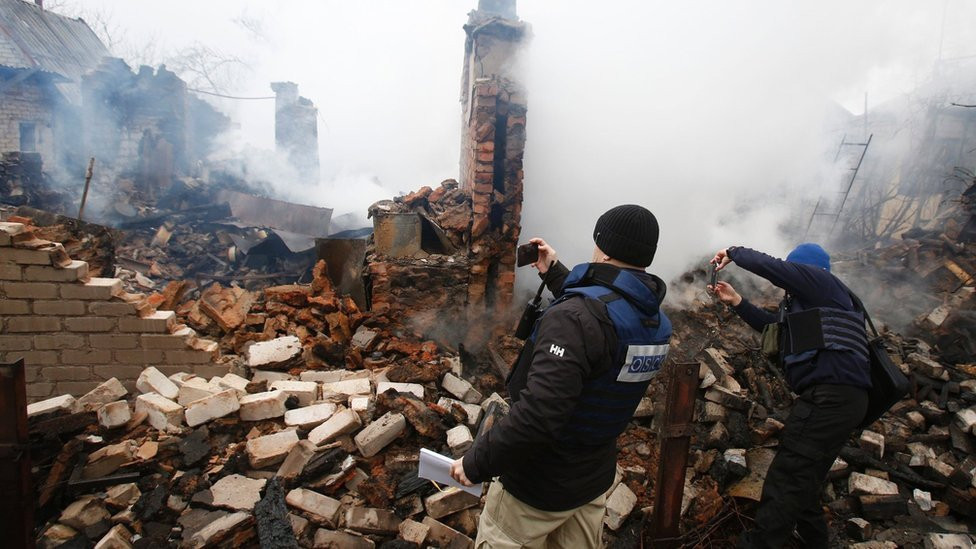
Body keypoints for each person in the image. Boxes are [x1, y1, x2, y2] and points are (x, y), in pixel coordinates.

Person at [449, 204, 671, 548]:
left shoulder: (573, 319)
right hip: (591, 482)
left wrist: (476, 463)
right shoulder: (654, 321)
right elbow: (607, 317)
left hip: (537, 488)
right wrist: (553, 272)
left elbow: (538, 418)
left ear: (603, 245)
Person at [708, 243, 871, 549]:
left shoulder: (823, 283)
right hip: (842, 399)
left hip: (830, 397)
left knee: (784, 480)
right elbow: (775, 329)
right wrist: (737, 301)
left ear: (807, 270)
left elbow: (776, 269)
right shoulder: (815, 306)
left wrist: (734, 252)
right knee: (803, 482)